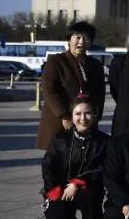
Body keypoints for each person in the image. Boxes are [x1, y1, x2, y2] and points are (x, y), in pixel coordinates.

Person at [41, 98, 108, 219]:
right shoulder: (60, 139)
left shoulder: (104, 141)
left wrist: (77, 183)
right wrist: (53, 190)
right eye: (78, 114)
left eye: (87, 113)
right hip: (61, 188)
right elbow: (47, 166)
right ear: (71, 117)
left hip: (88, 187)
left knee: (90, 197)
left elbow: (103, 168)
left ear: (94, 116)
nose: (83, 118)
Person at [37, 21, 106, 150]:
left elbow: (100, 94)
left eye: (86, 38)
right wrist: (64, 116)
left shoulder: (95, 65)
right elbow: (49, 91)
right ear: (69, 40)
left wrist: (96, 116)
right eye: (77, 37)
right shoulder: (56, 61)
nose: (81, 42)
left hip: (86, 121)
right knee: (59, 156)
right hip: (60, 121)